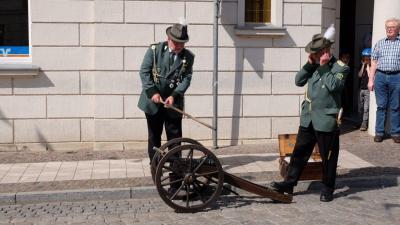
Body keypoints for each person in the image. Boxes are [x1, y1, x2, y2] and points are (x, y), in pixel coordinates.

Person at [270, 30, 350, 202]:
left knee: (328, 157)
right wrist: (309, 65)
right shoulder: (313, 65)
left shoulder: (341, 68)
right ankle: (289, 184)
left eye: (316, 52)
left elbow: (334, 86)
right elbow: (298, 81)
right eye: (312, 53)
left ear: (326, 51)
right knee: (299, 153)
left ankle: (328, 188)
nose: (313, 55)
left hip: (326, 120)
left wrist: (323, 66)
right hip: (309, 117)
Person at [138, 22, 195, 160]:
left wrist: (174, 95)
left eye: (182, 43)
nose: (179, 46)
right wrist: (153, 93)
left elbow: (186, 78)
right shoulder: (154, 50)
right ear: (168, 39)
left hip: (173, 103)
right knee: (154, 136)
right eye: (176, 42)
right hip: (153, 102)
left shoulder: (188, 57)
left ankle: (176, 170)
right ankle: (156, 166)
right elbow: (144, 72)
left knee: (175, 137)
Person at [368, 18, 400, 143]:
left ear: (398, 29)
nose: (389, 29)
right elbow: (374, 62)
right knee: (381, 106)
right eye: (387, 27)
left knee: (396, 107)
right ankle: (379, 132)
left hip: (397, 77)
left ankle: (396, 133)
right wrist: (371, 80)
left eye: (392, 27)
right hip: (380, 77)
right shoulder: (380, 43)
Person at [358, 48, 371, 131]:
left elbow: (370, 77)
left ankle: (364, 124)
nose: (365, 59)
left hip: (367, 90)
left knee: (366, 108)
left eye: (367, 58)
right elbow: (359, 75)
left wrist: (368, 67)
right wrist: (363, 65)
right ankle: (360, 122)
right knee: (360, 108)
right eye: (364, 58)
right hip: (360, 89)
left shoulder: (371, 66)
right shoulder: (362, 65)